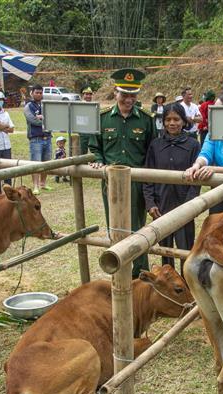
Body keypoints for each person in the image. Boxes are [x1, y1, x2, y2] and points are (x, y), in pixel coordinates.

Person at [87, 68, 155, 278]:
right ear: (115, 93)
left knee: (137, 228)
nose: (128, 99)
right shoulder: (104, 118)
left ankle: (140, 274)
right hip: (111, 183)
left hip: (137, 183)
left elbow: (152, 151)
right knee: (114, 228)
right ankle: (120, 272)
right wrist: (99, 162)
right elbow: (94, 147)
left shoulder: (145, 120)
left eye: (133, 95)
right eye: (124, 94)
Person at [143, 103, 201, 272]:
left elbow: (196, 183)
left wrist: (189, 207)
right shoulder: (156, 145)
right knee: (165, 252)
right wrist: (150, 203)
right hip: (161, 207)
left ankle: (187, 287)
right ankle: (167, 287)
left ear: (184, 121)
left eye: (176, 119)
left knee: (185, 252)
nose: (172, 123)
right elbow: (147, 176)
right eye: (168, 119)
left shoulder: (193, 145)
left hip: (184, 208)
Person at [184, 89, 223, 214]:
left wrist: (213, 169)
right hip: (217, 189)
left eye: (219, 110)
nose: (214, 114)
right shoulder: (214, 131)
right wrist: (197, 165)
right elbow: (206, 153)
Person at [24, 84, 52, 195]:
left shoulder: (45, 104)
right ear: (32, 93)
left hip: (47, 137)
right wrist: (44, 119)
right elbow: (33, 120)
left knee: (46, 162)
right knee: (35, 163)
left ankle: (43, 183)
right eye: (37, 92)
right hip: (35, 138)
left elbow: (52, 117)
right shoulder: (28, 106)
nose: (39, 94)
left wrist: (42, 117)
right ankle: (35, 186)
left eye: (41, 93)